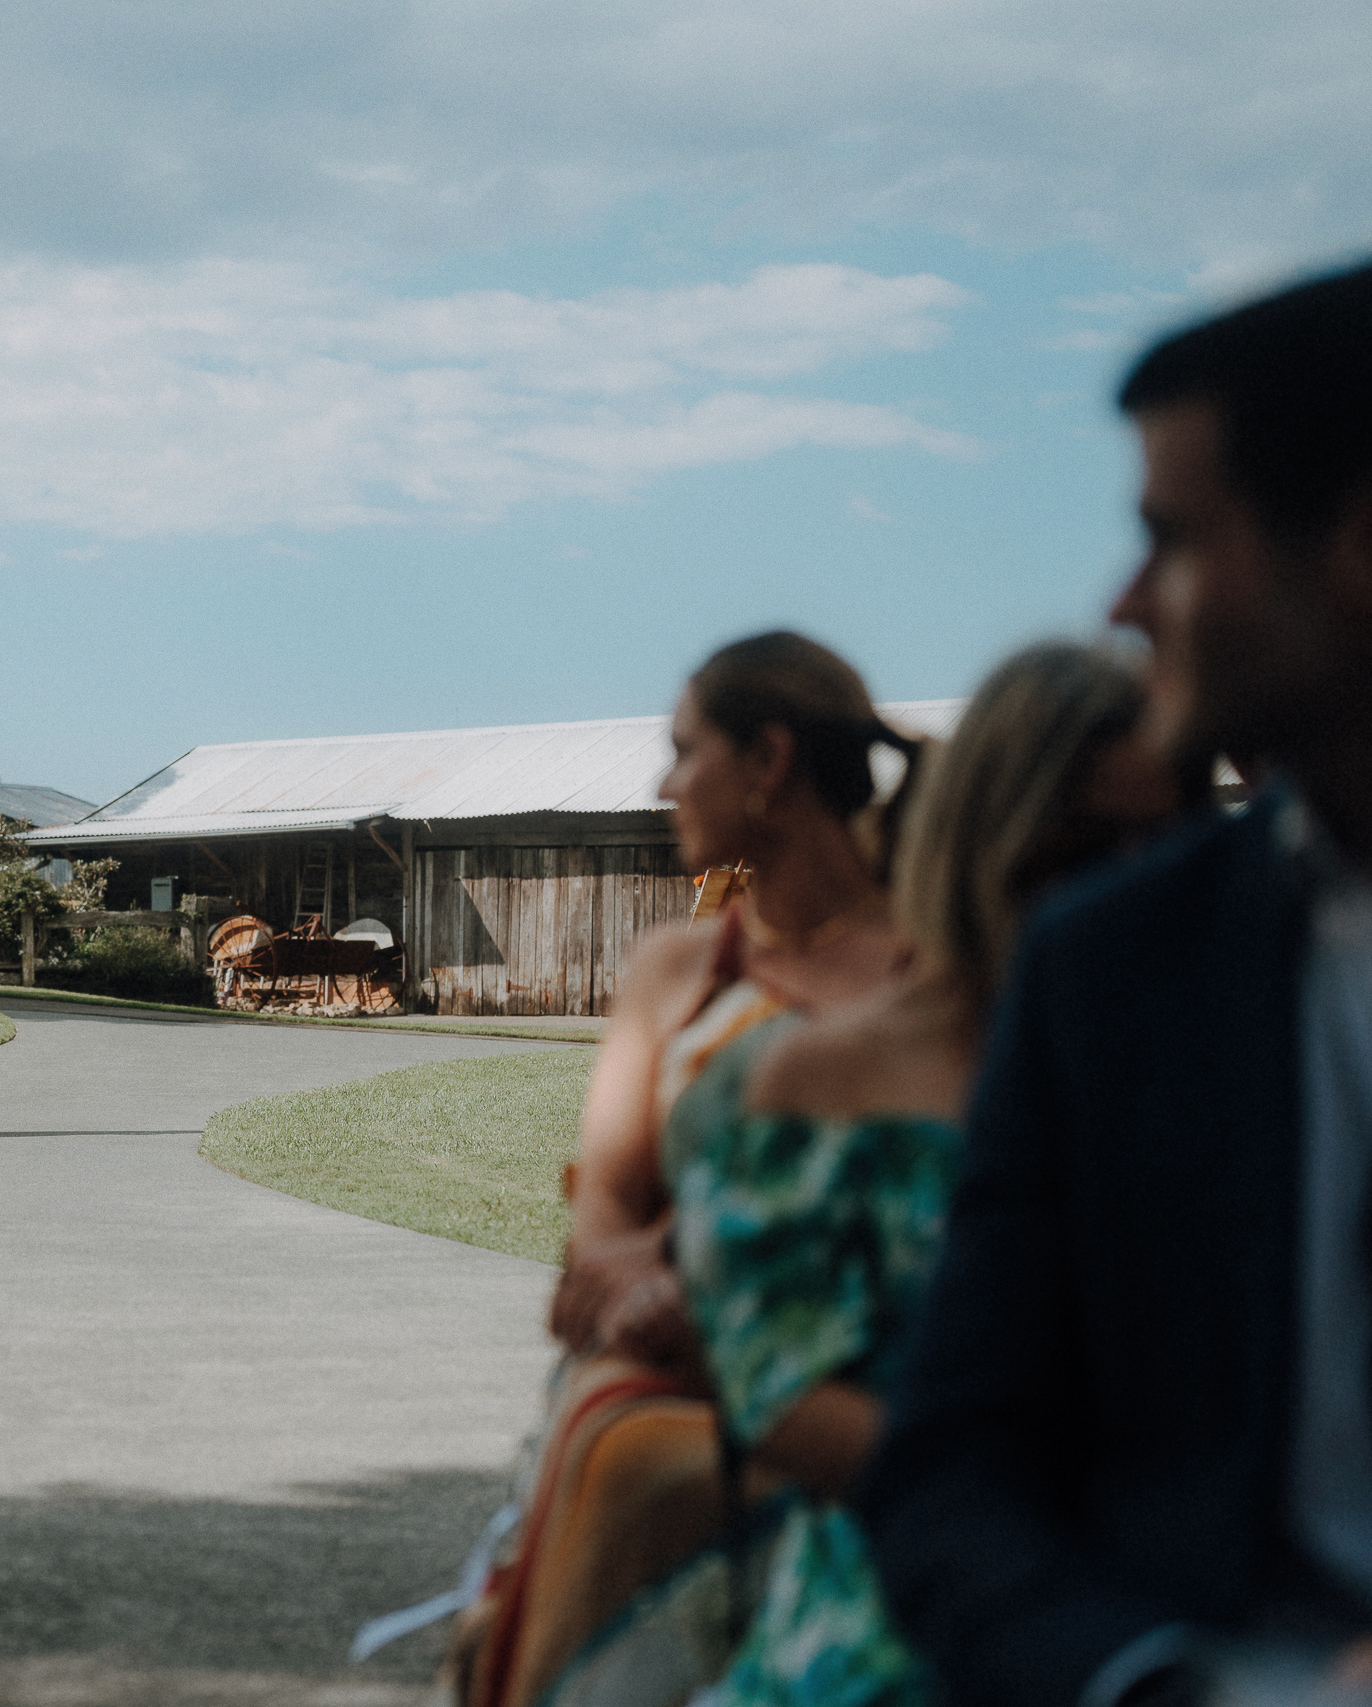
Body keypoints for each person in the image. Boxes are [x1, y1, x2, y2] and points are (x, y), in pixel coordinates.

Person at [863, 261, 1372, 1707]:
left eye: (1171, 540)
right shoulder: (1115, 966)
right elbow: (950, 1472)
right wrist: (1164, 1686)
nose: (1124, 600)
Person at [659, 642, 1176, 1705]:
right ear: (989, 834)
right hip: (898, 1606)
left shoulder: (1200, 1065)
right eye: (1084, 847)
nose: (1130, 890)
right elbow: (782, 1397)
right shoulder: (804, 1081)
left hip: (1181, 1583)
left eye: (1169, 849)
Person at [453, 631, 917, 1707]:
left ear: (768, 761)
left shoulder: (932, 961)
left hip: (867, 1361)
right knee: (619, 1462)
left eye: (682, 749)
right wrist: (649, 1279)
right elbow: (604, 1207)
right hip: (667, 1342)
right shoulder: (678, 970)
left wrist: (705, 1269)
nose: (662, 784)